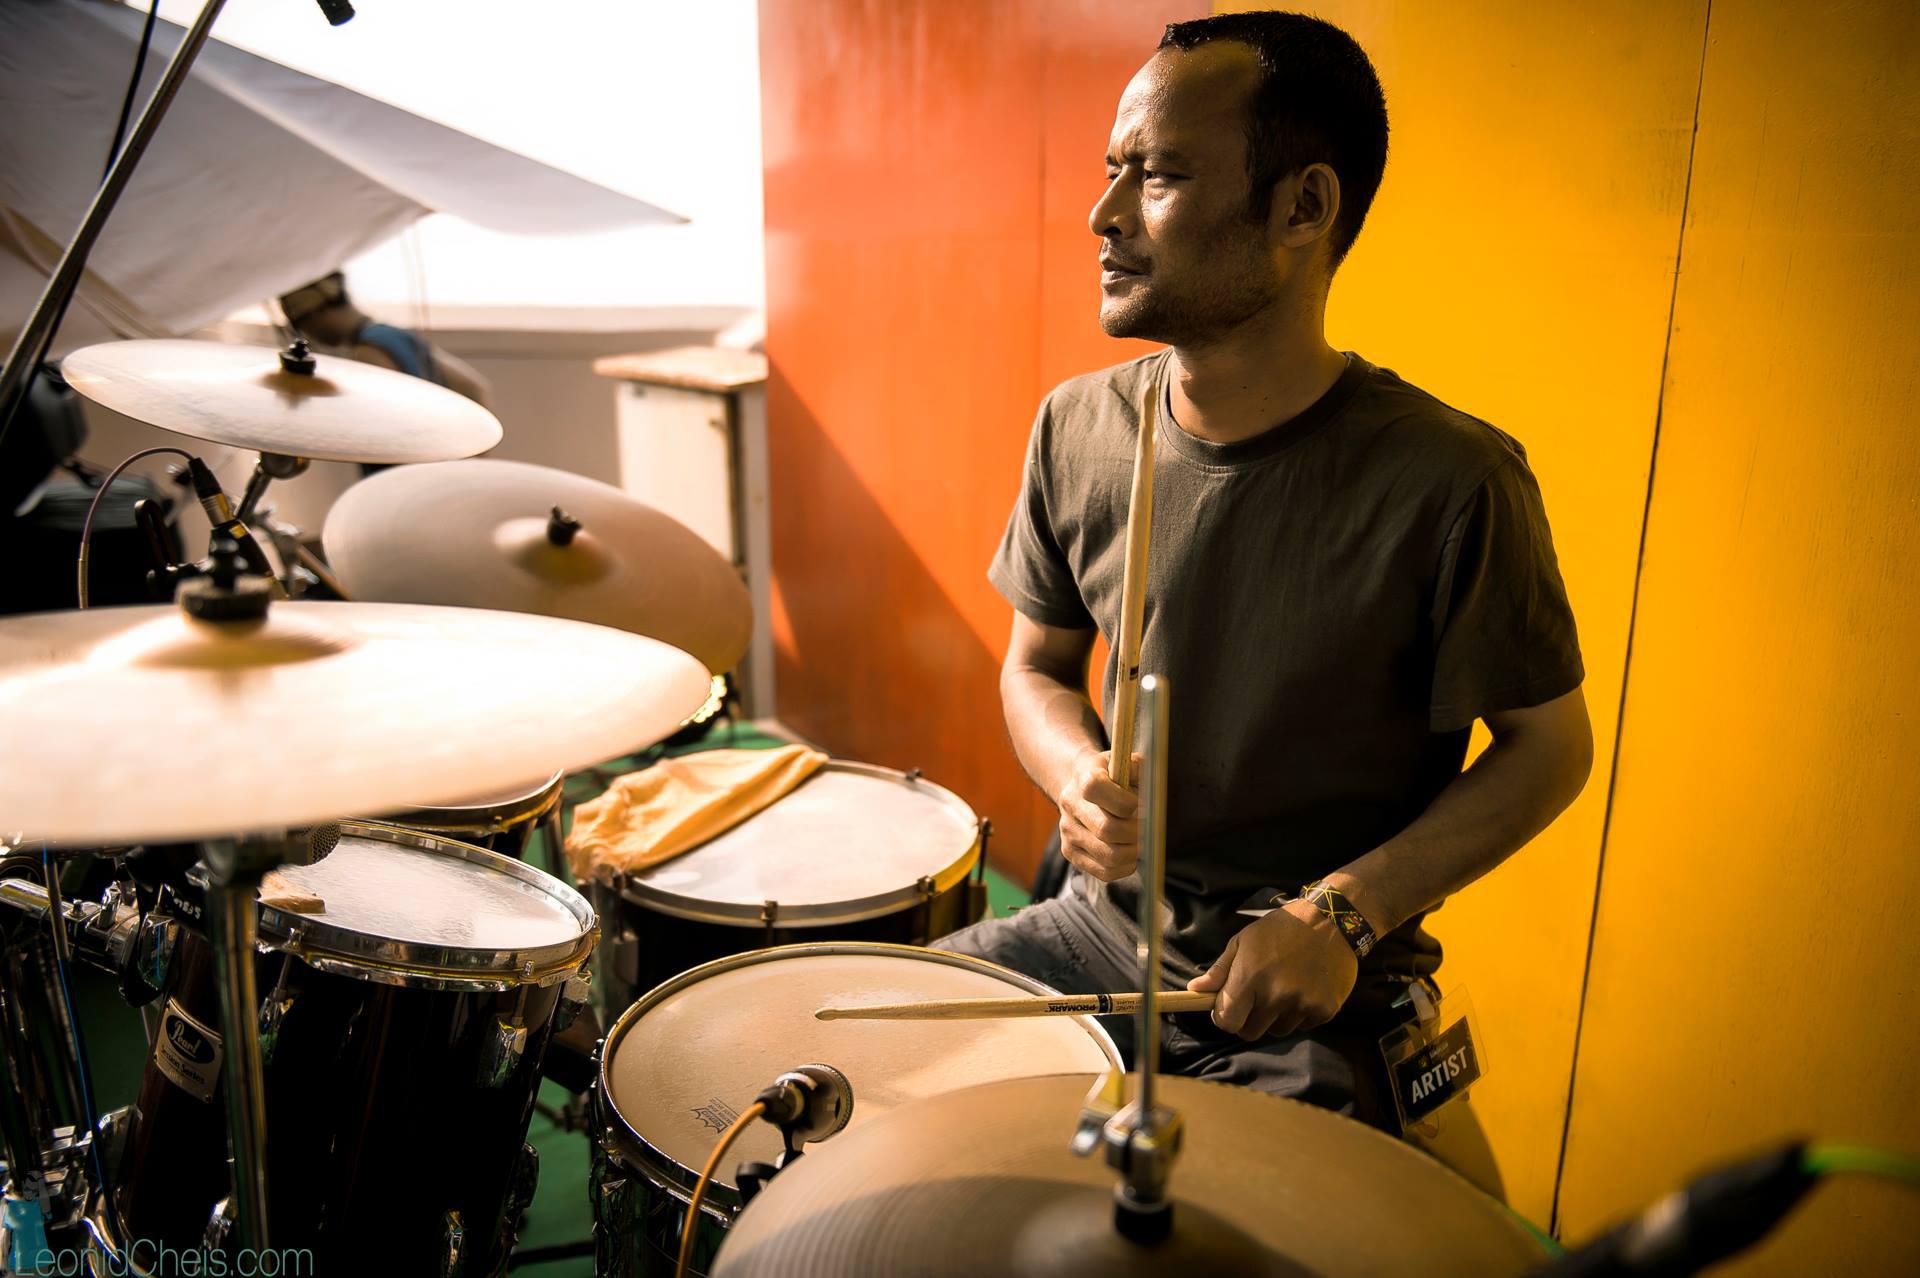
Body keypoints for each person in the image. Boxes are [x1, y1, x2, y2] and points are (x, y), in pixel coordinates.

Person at [936, 11, 1594, 1131]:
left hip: (1311, 992)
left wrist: (1345, 913)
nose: (1103, 214)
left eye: (1158, 176)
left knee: (1244, 1215)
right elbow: (1035, 666)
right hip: (1096, 931)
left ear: (1303, 207)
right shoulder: (1078, 427)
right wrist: (1074, 772)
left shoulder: (1453, 483)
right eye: (1112, 171)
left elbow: (1550, 750)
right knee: (866, 1090)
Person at [277, 271, 491, 408]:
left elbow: (384, 419)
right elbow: (473, 387)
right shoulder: (394, 335)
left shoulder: (368, 353)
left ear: (315, 313)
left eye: (303, 327)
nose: (308, 335)